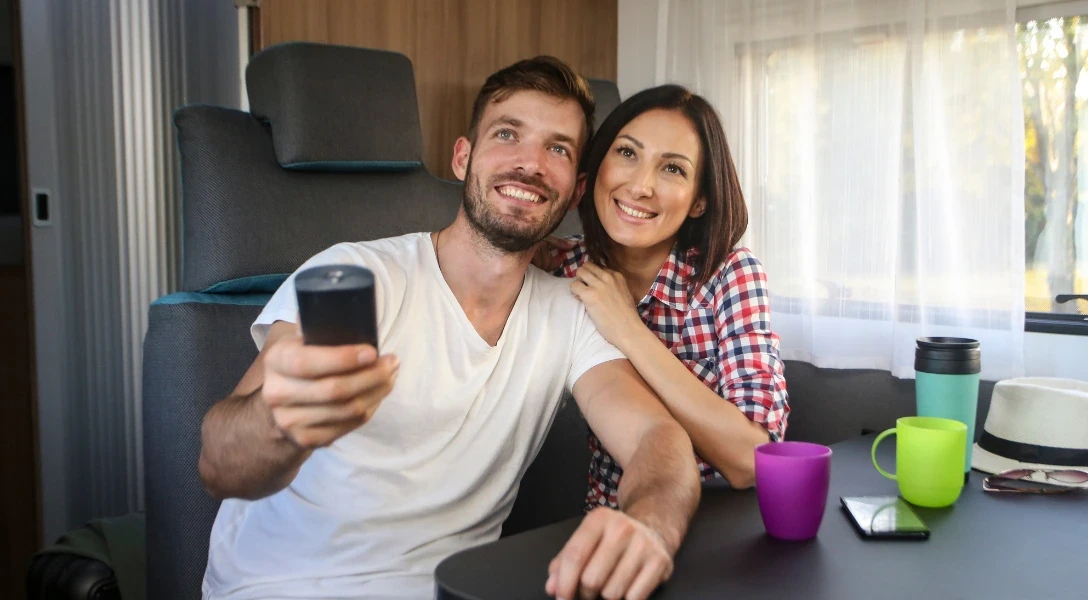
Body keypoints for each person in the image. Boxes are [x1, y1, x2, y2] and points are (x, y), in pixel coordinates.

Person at [198, 57, 700, 600]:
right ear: (463, 158)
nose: (529, 164)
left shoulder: (570, 311)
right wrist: (281, 418)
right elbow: (220, 466)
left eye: (556, 148)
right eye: (508, 134)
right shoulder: (358, 277)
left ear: (577, 191)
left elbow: (658, 439)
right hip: (283, 586)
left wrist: (650, 525)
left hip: (452, 590)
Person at [535, 84, 790, 509]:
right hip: (613, 525)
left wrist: (628, 330)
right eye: (627, 153)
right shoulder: (561, 268)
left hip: (722, 526)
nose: (640, 186)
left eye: (672, 169)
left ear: (699, 201)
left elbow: (753, 460)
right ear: (597, 165)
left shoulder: (729, 274)